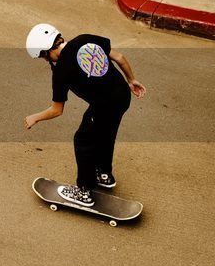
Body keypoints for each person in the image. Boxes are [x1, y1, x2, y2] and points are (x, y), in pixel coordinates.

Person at [23, 23, 145, 206]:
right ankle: (104, 174)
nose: (45, 60)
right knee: (106, 133)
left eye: (42, 56)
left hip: (104, 106)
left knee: (83, 140)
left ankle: (83, 191)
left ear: (46, 51)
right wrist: (132, 80)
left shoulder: (61, 71)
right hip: (122, 96)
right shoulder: (85, 38)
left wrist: (35, 117)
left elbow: (57, 110)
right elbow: (119, 58)